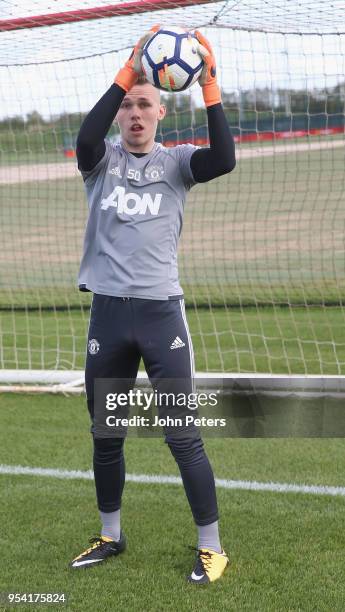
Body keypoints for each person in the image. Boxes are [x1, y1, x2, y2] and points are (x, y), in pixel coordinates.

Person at [70, 26, 236, 584]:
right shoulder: (100, 163)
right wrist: (126, 71)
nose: (136, 113)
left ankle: (212, 548)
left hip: (161, 313)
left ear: (162, 113)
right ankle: (110, 535)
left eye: (146, 104)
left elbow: (226, 159)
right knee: (106, 432)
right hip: (108, 317)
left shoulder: (178, 163)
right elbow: (84, 138)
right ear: (120, 114)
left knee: (180, 433)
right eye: (130, 106)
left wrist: (209, 86)